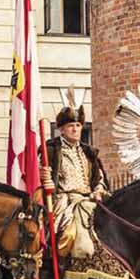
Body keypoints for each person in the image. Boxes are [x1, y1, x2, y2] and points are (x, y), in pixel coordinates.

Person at [45, 99, 110, 260]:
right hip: (65, 200)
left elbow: (99, 178)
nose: (75, 129)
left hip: (89, 198)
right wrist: (45, 179)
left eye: (78, 125)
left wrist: (98, 190)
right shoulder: (51, 150)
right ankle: (61, 270)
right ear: (61, 129)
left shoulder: (89, 152)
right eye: (70, 126)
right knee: (67, 233)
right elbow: (41, 174)